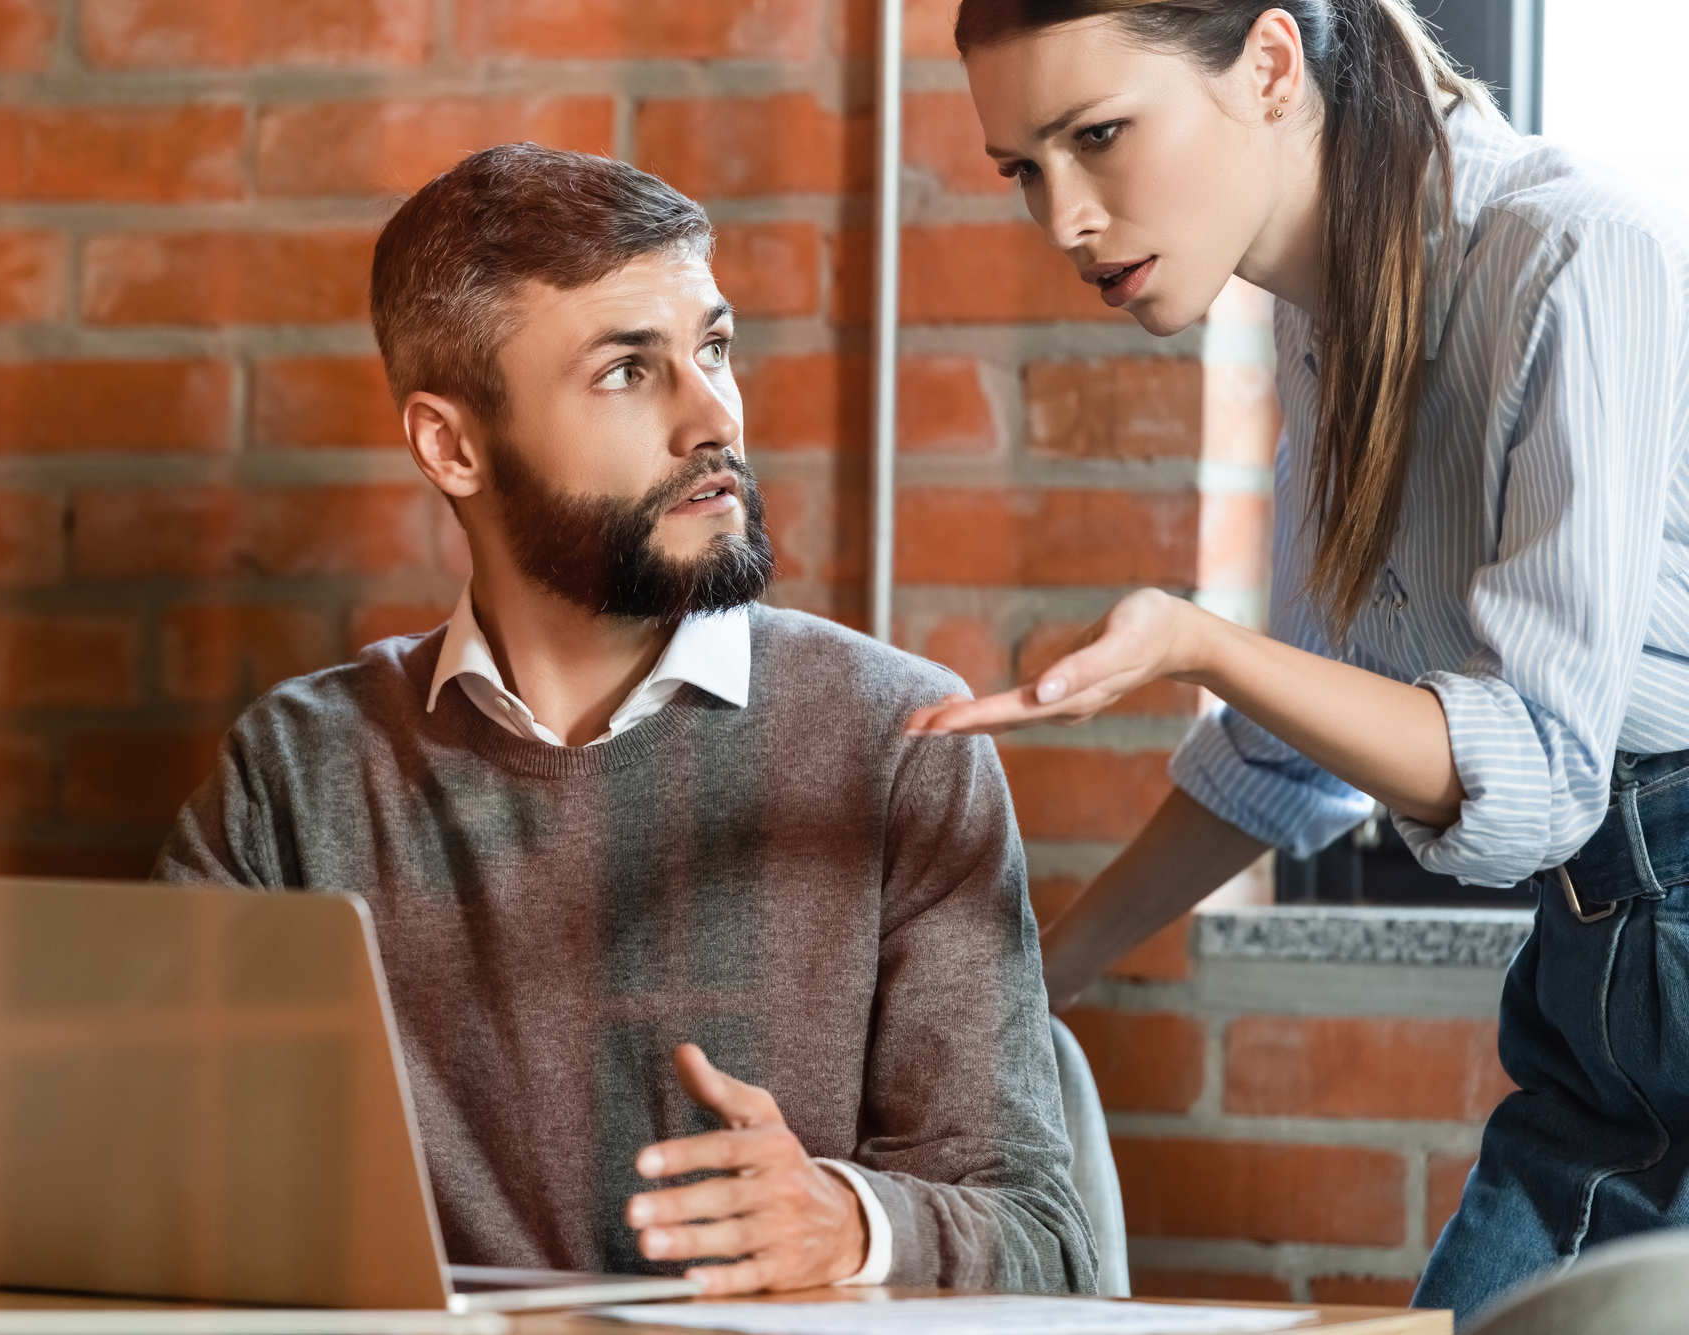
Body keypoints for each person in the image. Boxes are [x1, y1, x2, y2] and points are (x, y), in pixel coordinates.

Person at [155, 144, 1096, 1297]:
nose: (712, 418)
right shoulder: (297, 773)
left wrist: (850, 1227)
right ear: (451, 446)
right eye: (625, 372)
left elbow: (1048, 1245)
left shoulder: (899, 744)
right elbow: (158, 1187)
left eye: (711, 348)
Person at [906, 0, 1689, 1321]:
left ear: (1269, 67)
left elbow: (1537, 773)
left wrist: (1202, 641)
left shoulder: (1571, 248)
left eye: (1099, 135)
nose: (1064, 219)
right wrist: (1039, 981)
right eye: (1025, 168)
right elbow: (1290, 758)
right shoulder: (1320, 307)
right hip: (1605, 957)